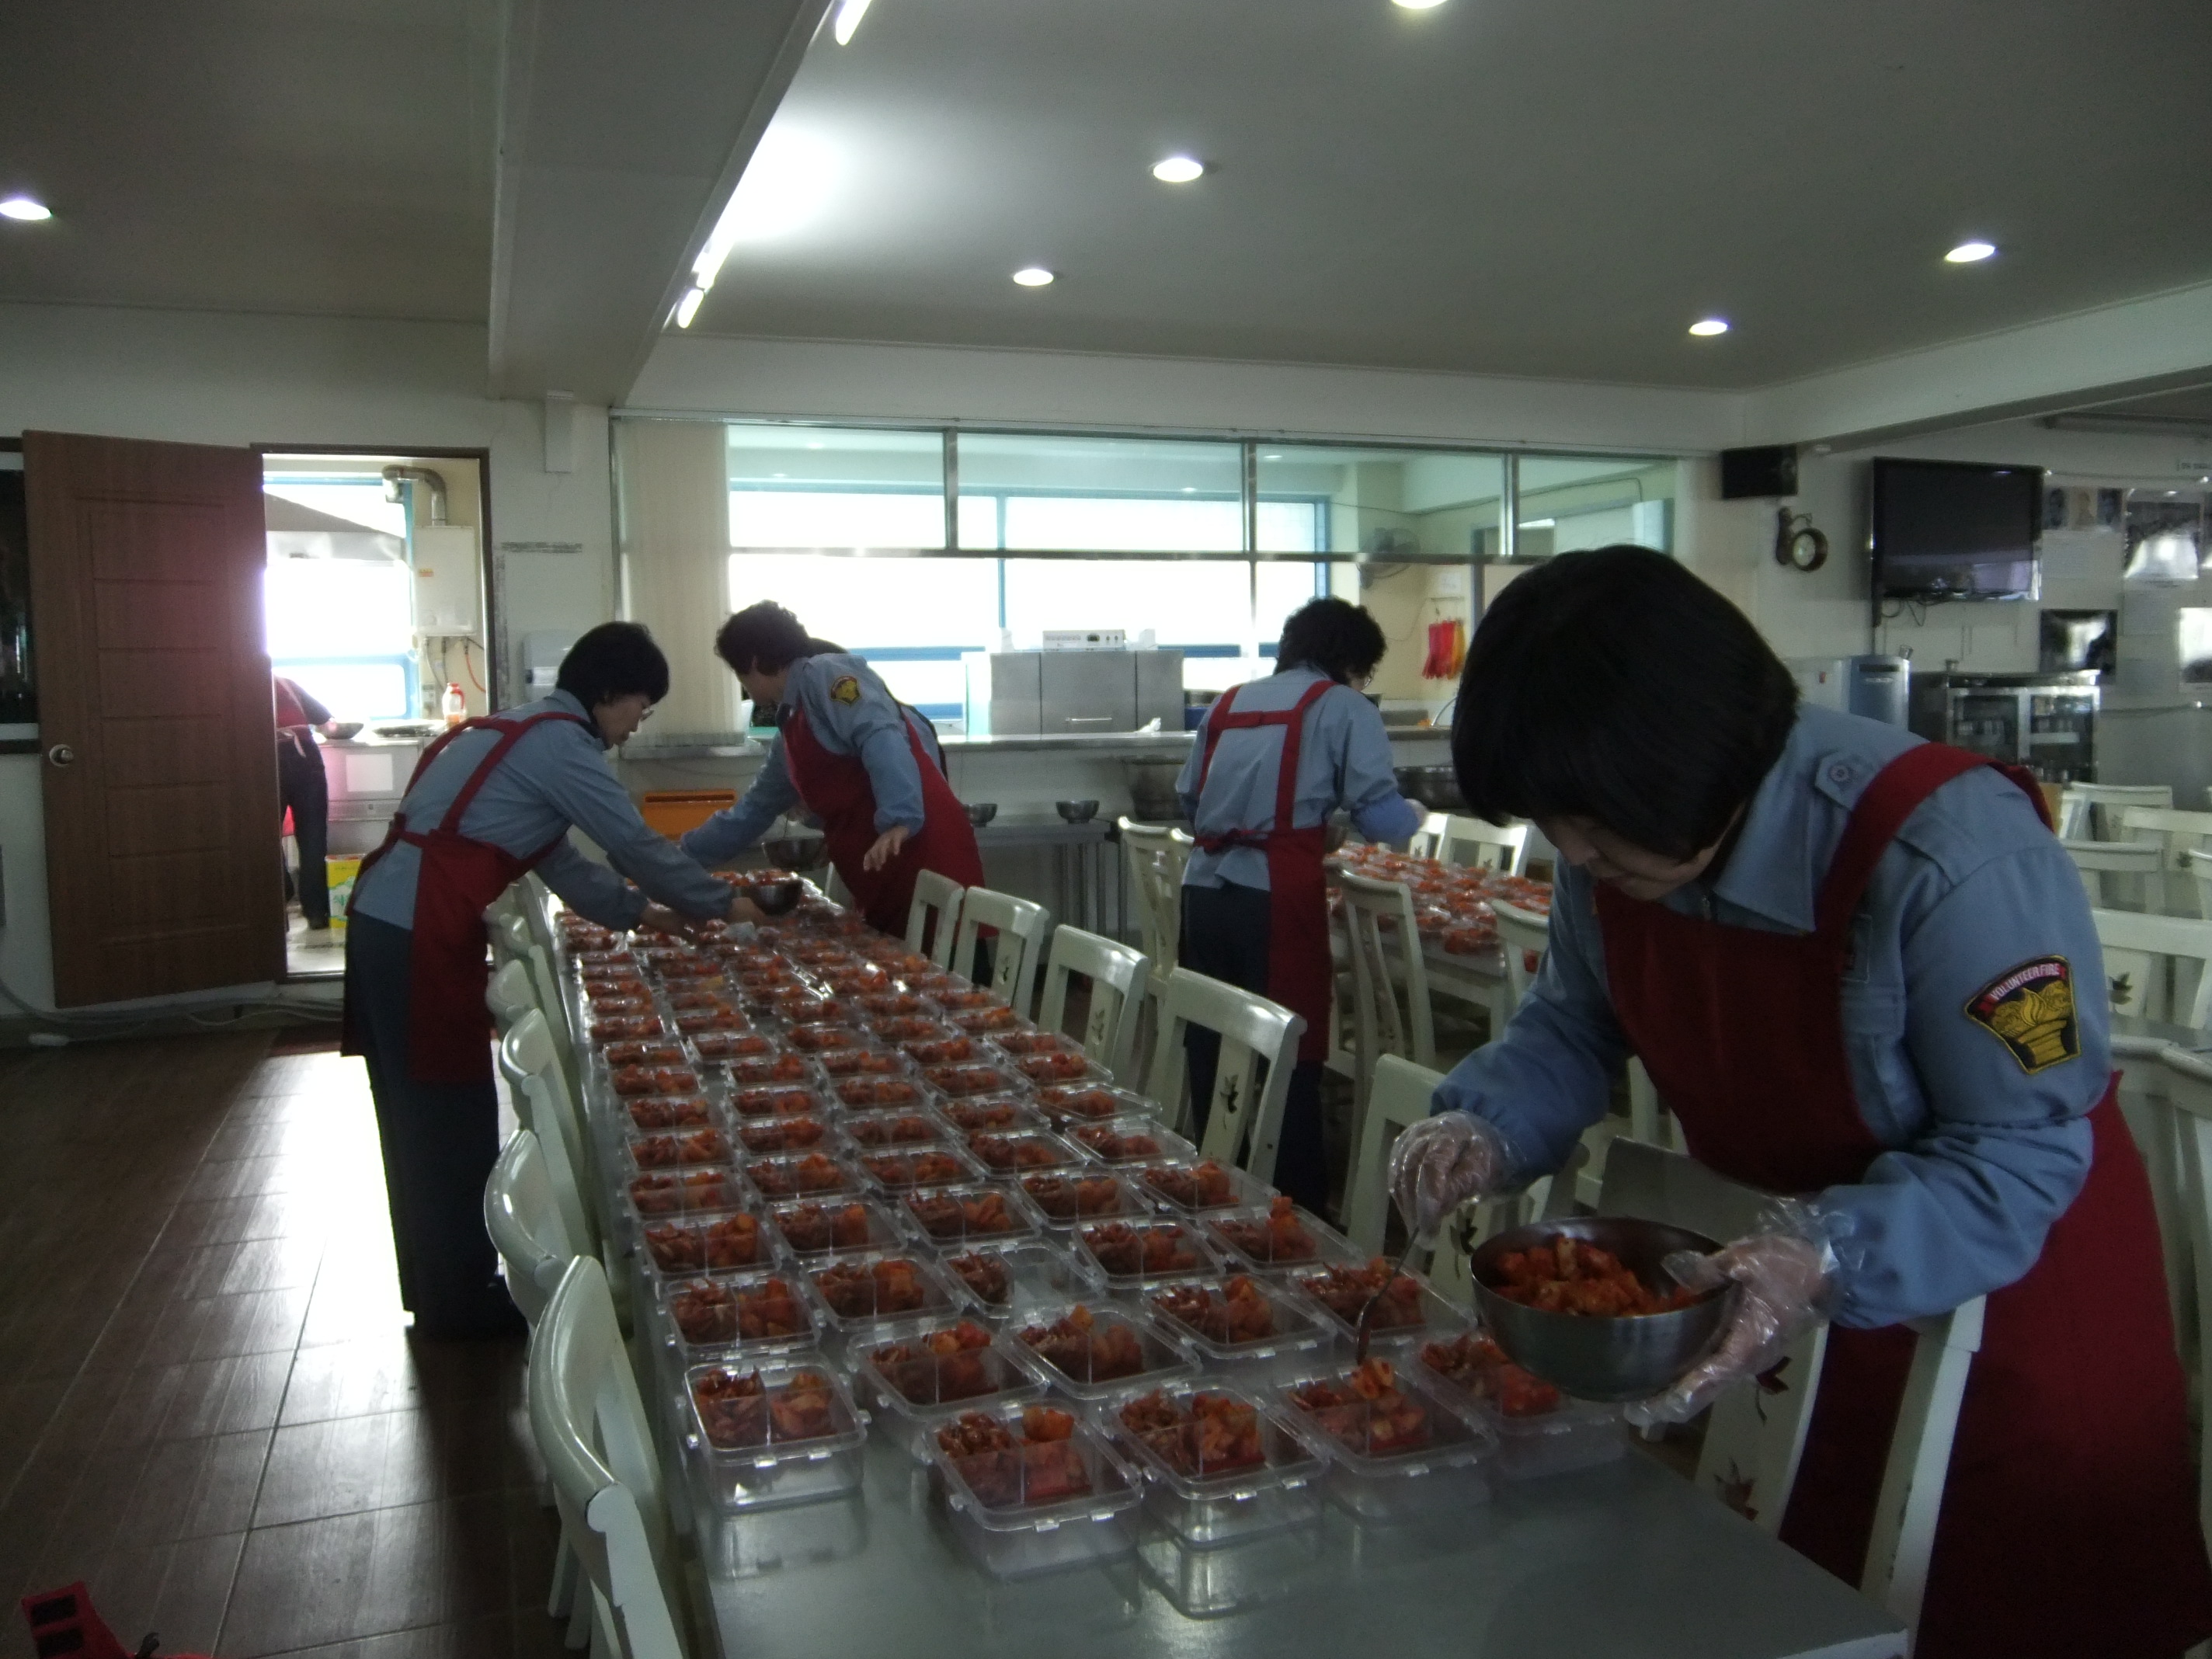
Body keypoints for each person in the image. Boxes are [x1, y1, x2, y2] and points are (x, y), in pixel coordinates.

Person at [1389, 547, 2211, 1659]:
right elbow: (1576, 1026)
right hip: (1787, 1292)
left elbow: (2020, 1147)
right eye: (1551, 822)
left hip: (2003, 1302)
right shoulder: (1618, 854)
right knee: (1803, 1605)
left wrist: (1825, 1252)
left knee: (2006, 1609)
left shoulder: (1949, 850)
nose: (1570, 854)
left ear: (1682, 756)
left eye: (1586, 821)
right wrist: (1485, 1122)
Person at [343, 622, 753, 1337]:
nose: (637, 725)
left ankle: (443, 1292)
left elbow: (559, 861)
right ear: (609, 693)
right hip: (417, 926)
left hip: (395, 919)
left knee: (422, 1115)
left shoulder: (520, 730)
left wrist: (646, 915)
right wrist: (722, 903)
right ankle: (460, 1305)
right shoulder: (562, 744)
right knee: (443, 1116)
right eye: (641, 706)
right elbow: (632, 843)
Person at [1176, 596, 1424, 1213]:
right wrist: (1416, 815)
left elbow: (1191, 802)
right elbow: (1382, 818)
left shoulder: (1228, 704)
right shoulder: (1343, 707)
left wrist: (1291, 822)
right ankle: (1296, 1208)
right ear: (1350, 660)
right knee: (1288, 1051)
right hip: (1273, 898)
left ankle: (1217, 1186)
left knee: (1214, 1038)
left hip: (1203, 890)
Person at [681, 602, 984, 939]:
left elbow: (878, 735)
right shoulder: (790, 723)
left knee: (944, 965)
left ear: (753, 663)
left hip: (918, 852)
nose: (741, 686)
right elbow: (753, 810)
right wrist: (680, 858)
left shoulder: (825, 675)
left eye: (738, 673)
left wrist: (900, 818)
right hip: (879, 868)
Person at [273, 674, 338, 930]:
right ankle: (316, 911)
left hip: (263, 757)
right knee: (313, 835)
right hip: (304, 759)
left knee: (265, 837)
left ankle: (279, 901)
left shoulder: (234, 686)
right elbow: (326, 724)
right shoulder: (284, 683)